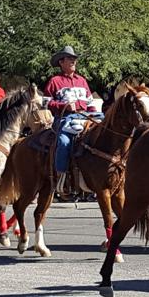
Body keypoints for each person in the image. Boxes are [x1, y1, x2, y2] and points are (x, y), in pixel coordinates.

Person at [44, 45, 100, 195]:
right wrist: (65, 106)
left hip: (85, 117)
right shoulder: (54, 81)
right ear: (61, 62)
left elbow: (90, 103)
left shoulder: (82, 80)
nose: (73, 61)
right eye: (70, 59)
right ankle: (61, 177)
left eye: (74, 59)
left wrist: (94, 115)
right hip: (65, 118)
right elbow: (45, 102)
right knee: (64, 142)